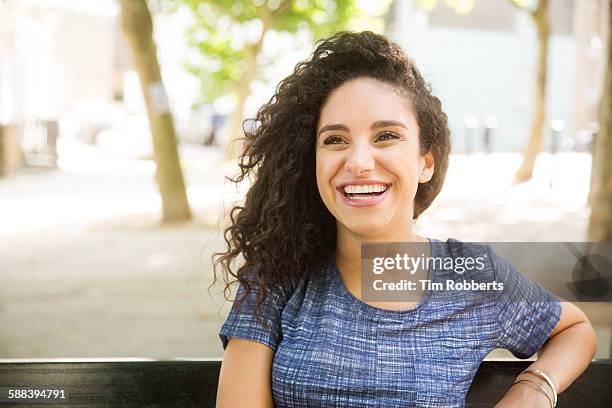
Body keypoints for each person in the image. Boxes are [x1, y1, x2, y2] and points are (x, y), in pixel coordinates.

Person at [214, 31, 597, 407]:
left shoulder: (473, 275)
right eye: (335, 140)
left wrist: (533, 388)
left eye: (386, 136)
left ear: (424, 163)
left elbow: (576, 329)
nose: (359, 162)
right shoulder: (275, 274)